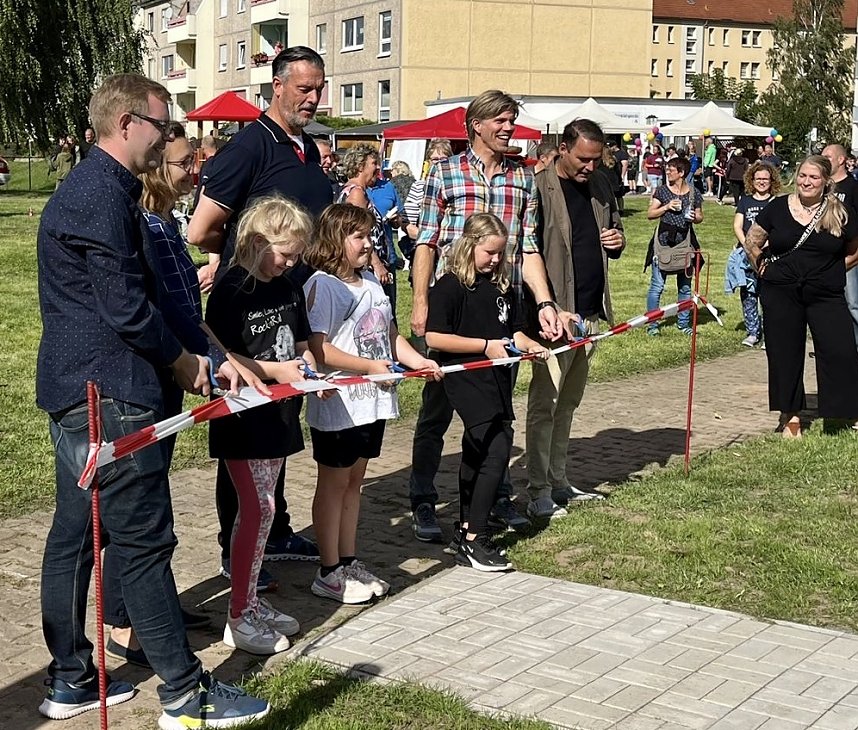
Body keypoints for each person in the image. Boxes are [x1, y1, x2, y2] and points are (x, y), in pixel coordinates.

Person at [35, 72, 268, 727]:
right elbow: (126, 308)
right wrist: (186, 361)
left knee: (77, 535)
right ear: (128, 122)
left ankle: (70, 680)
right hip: (108, 392)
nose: (170, 139)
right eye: (164, 126)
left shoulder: (105, 190)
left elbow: (152, 297)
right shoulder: (98, 195)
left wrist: (208, 355)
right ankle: (183, 695)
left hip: (92, 389)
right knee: (140, 542)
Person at [187, 45, 333, 576]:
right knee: (245, 426)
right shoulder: (249, 146)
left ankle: (273, 531)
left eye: (319, 88)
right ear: (276, 86)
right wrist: (250, 258)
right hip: (247, 306)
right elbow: (201, 229)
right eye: (303, 89)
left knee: (279, 424)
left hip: (289, 305)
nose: (313, 98)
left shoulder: (306, 148)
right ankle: (235, 548)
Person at [408, 89, 562, 542]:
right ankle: (422, 498)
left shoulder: (523, 179)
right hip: (453, 310)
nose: (509, 128)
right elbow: (426, 243)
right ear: (476, 123)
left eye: (512, 120)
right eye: (501, 120)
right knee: (437, 411)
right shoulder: (445, 172)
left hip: (500, 310)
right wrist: (421, 303)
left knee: (497, 410)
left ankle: (491, 495)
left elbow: (528, 246)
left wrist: (546, 302)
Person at [103, 122, 214, 668]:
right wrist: (194, 359)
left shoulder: (167, 222)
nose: (194, 171)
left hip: (172, 370)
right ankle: (126, 624)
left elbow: (180, 295)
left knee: (153, 498)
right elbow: (157, 306)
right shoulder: (145, 223)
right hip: (150, 374)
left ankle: (154, 605)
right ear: (154, 168)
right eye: (183, 162)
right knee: (138, 509)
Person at [302, 204, 441, 602]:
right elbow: (320, 348)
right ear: (335, 239)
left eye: (369, 235)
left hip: (372, 402)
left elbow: (389, 332)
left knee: (355, 482)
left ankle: (348, 559)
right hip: (340, 402)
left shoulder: (371, 282)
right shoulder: (323, 285)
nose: (367, 244)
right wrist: (370, 366)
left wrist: (416, 359)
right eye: (358, 236)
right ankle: (328, 569)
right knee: (334, 481)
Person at [206, 195, 319, 654]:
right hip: (243, 418)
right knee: (257, 510)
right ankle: (239, 613)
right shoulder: (231, 288)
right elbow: (222, 354)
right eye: (284, 253)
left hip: (280, 417)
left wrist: (307, 364)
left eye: (295, 255)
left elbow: (304, 339)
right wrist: (277, 371)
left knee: (266, 508)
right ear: (257, 241)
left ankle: (249, 600)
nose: (290, 263)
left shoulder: (289, 284)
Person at [426, 213, 549, 570]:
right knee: (497, 446)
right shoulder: (449, 286)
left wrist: (531, 345)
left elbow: (515, 331)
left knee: (477, 451)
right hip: (465, 378)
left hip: (497, 378)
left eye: (501, 254)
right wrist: (483, 346)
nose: (496, 260)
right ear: (470, 246)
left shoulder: (502, 288)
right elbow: (434, 337)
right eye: (490, 252)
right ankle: (475, 538)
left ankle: (466, 527)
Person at [525, 118, 625, 519]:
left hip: (589, 312)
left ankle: (560, 479)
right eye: (583, 159)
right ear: (563, 148)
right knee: (544, 404)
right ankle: (538, 490)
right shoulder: (538, 187)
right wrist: (546, 305)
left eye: (596, 160)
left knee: (568, 402)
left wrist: (617, 242)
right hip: (554, 313)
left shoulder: (600, 186)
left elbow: (612, 232)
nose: (590, 168)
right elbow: (526, 249)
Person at [742, 155, 858, 437]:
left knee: (840, 350)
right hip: (781, 290)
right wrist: (762, 268)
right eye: (803, 176)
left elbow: (854, 250)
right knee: (784, 352)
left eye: (814, 177)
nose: (806, 182)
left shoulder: (840, 213)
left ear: (825, 182)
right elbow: (752, 240)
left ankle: (845, 412)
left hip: (825, 293)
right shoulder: (777, 208)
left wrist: (830, 271)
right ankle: (790, 414)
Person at [644, 155, 704, 336]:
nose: (667, 172)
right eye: (667, 169)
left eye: (671, 170)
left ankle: (683, 323)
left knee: (685, 287)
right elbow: (650, 214)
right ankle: (653, 325)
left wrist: (696, 217)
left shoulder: (694, 193)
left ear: (681, 173)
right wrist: (667, 207)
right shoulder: (662, 191)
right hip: (662, 244)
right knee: (657, 286)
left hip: (685, 244)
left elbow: (700, 217)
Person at [725, 162, 780, 348]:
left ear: (771, 180)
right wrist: (747, 245)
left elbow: (780, 230)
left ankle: (769, 334)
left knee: (768, 297)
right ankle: (752, 332)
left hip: (768, 255)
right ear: (752, 180)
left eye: (765, 179)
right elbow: (737, 226)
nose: (762, 182)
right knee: (748, 295)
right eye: (758, 179)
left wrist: (764, 245)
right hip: (746, 257)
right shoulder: (745, 201)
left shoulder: (777, 202)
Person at [336, 144, 394, 301]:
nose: (378, 168)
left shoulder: (356, 190)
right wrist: (376, 264)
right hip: (368, 267)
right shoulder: (356, 193)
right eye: (374, 163)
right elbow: (359, 232)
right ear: (360, 166)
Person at [822, 143, 858, 347]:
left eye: (828, 156)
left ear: (841, 160)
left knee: (852, 302)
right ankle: (833, 345)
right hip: (823, 254)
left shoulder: (853, 187)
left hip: (848, 255)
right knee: (827, 304)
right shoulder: (824, 186)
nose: (824, 159)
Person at [401, 139, 453, 272]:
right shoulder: (419, 186)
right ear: (428, 162)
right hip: (424, 251)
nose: (439, 163)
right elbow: (406, 223)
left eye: (443, 159)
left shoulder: (457, 186)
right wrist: (427, 237)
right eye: (435, 159)